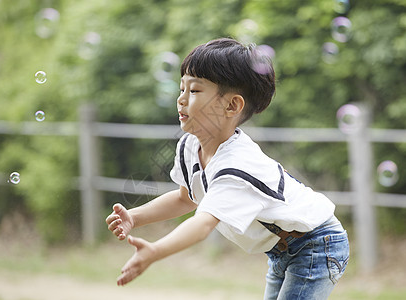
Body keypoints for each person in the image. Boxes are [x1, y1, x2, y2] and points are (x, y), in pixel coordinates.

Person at [106, 37, 350, 299]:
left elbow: (202, 225)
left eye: (195, 91)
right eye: (181, 89)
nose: (181, 99)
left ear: (232, 105)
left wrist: (155, 251)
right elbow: (185, 198)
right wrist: (136, 217)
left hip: (317, 244)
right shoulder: (189, 146)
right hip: (282, 250)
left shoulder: (236, 166)